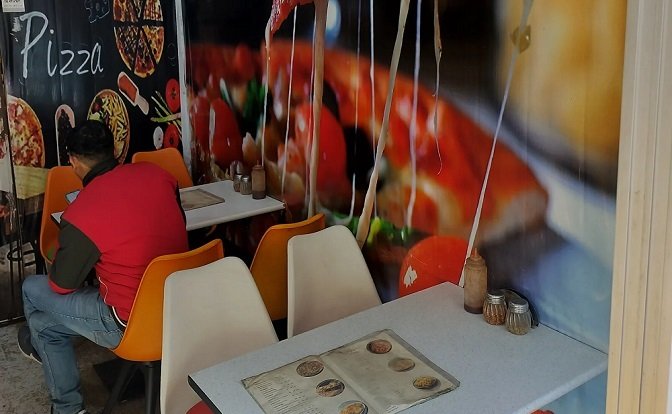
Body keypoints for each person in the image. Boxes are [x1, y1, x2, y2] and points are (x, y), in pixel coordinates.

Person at [18, 120, 189, 414]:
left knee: (31, 290)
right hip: (182, 305)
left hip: (128, 323)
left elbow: (61, 285)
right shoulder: (159, 176)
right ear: (115, 150)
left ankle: (67, 405)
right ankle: (39, 344)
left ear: (73, 161)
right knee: (41, 324)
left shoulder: (82, 212)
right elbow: (178, 225)